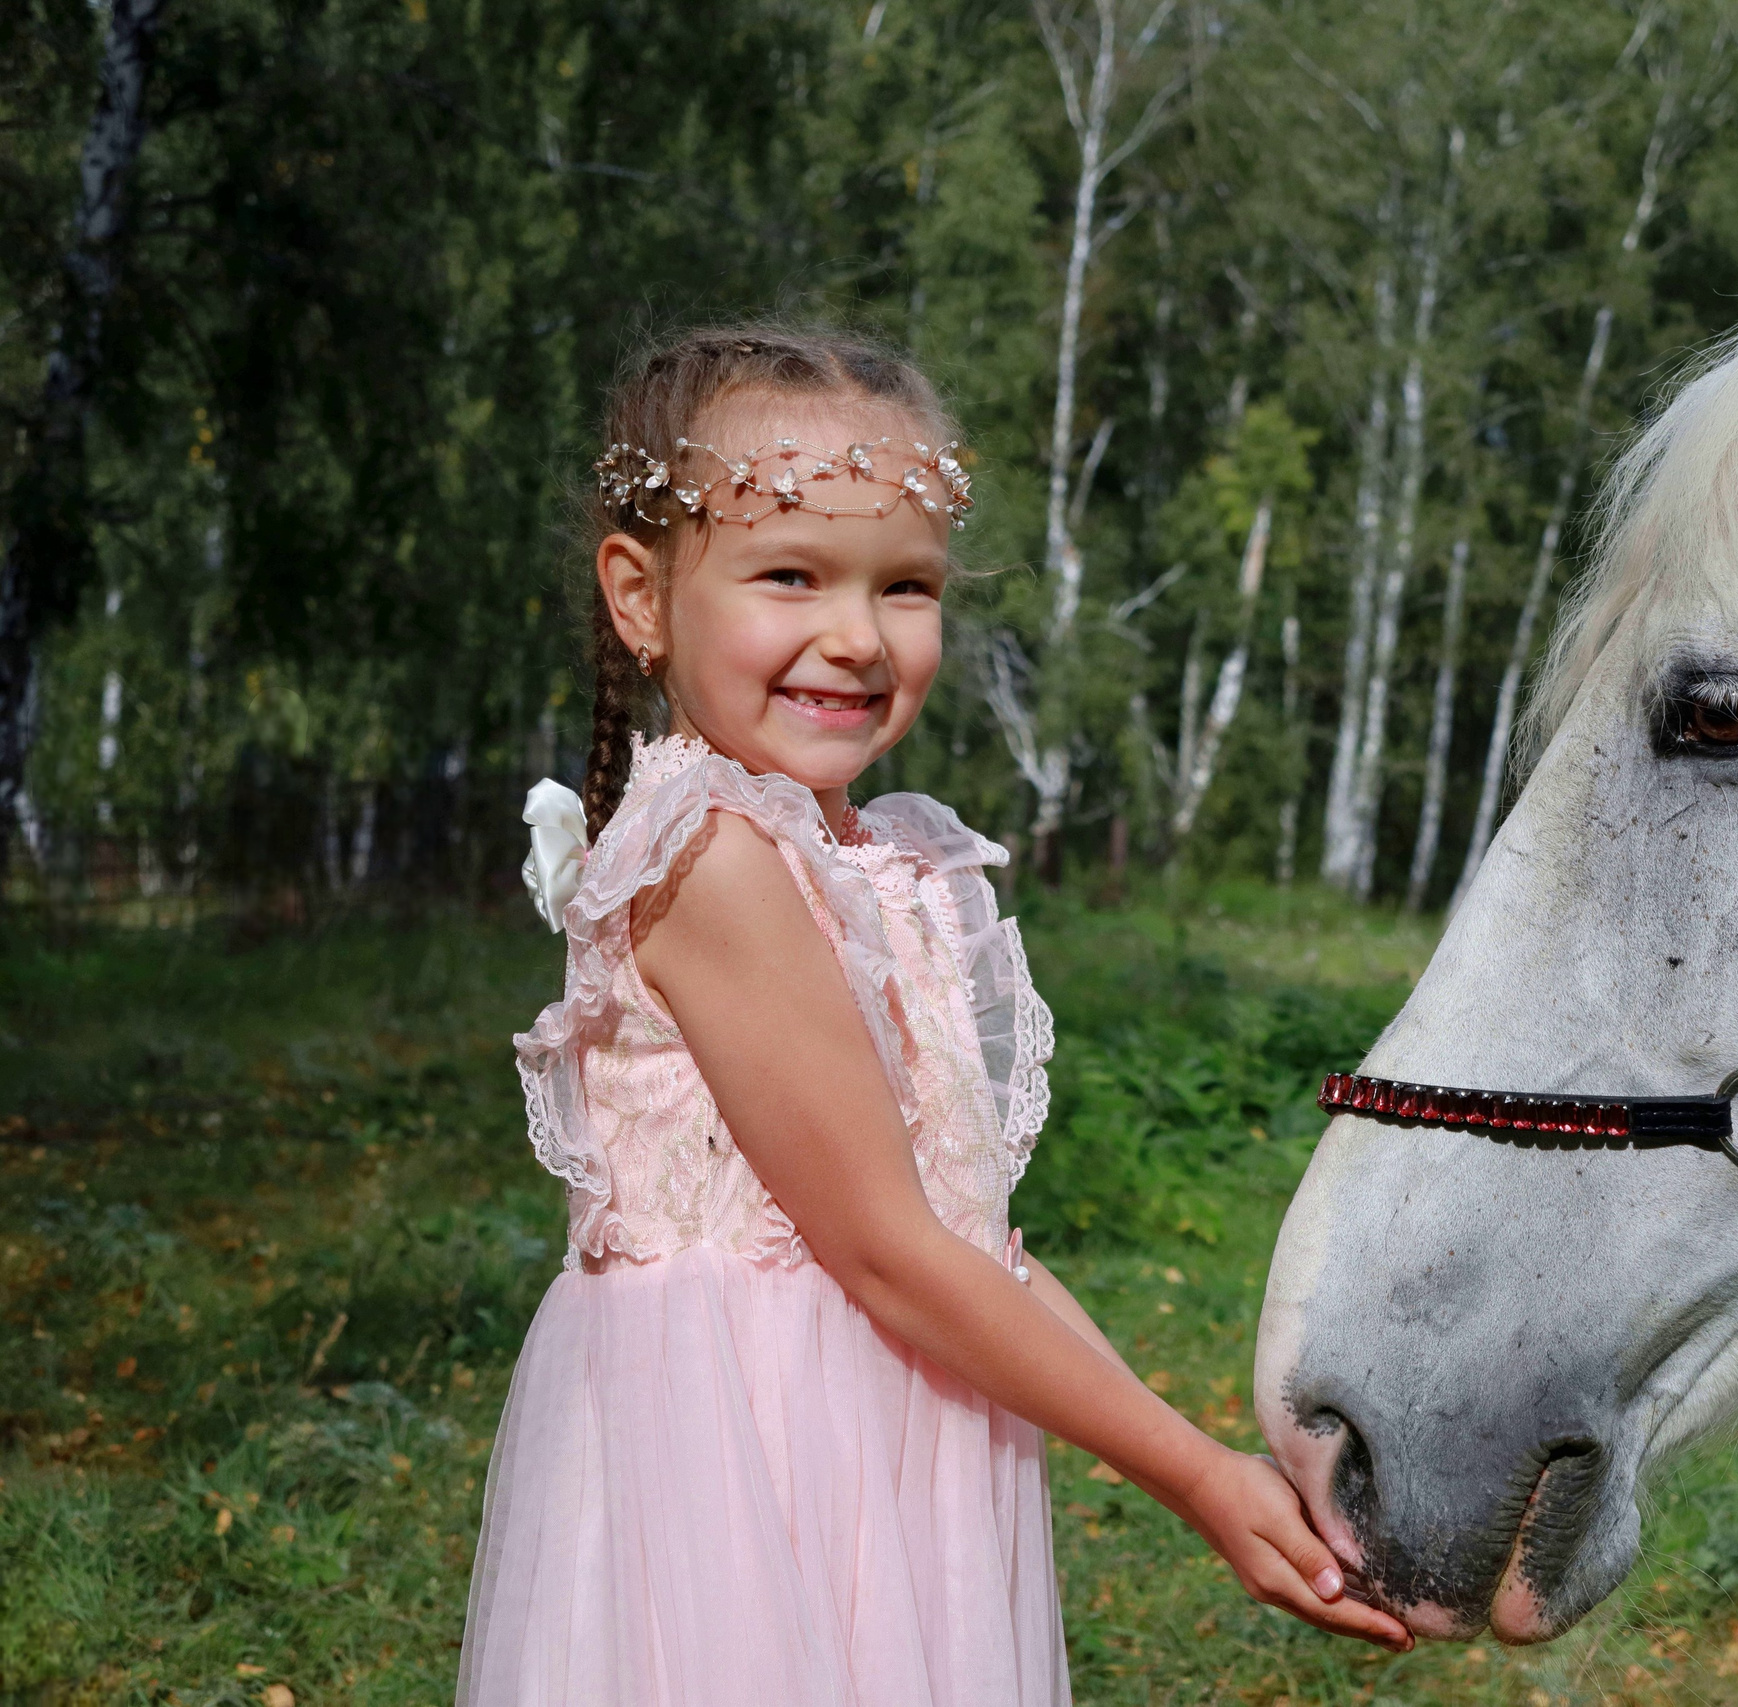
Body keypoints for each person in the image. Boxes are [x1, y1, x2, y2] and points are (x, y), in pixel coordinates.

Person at [459, 324, 1407, 1706]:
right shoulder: (714, 858)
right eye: (791, 575)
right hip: (754, 1472)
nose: (855, 637)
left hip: (892, 1437)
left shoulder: (868, 858)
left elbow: (974, 1244)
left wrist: (1207, 1449)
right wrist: (1190, 1478)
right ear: (641, 594)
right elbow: (891, 1255)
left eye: (906, 586)